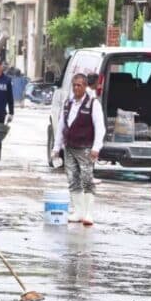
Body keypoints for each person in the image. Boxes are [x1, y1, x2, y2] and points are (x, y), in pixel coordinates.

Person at [51, 74, 105, 226]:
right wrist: (56, 147)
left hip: (86, 147)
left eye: (79, 85)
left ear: (85, 86)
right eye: (74, 85)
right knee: (72, 179)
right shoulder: (68, 104)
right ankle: (78, 211)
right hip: (70, 146)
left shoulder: (93, 104)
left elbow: (100, 127)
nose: (76, 88)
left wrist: (96, 147)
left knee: (87, 178)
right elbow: (61, 125)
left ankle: (89, 213)